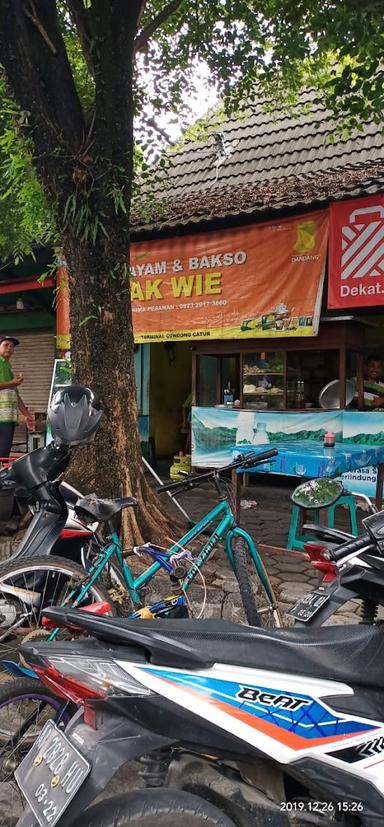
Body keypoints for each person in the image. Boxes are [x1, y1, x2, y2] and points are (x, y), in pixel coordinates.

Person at [0, 335, 34, 459]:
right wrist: (12, 383)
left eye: (11, 346)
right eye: (5, 345)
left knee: (4, 450)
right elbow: (11, 386)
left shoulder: (7, 366)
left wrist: (26, 415)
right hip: (1, 417)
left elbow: (15, 394)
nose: (9, 348)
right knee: (2, 451)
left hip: (7, 418)